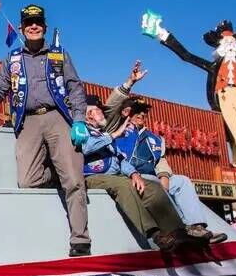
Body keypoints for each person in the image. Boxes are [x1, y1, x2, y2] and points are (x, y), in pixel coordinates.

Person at [0, 4, 92, 256]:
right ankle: (56, 173)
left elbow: (75, 87)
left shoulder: (59, 55)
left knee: (73, 180)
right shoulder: (13, 59)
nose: (34, 26)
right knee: (27, 180)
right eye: (29, 23)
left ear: (45, 27)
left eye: (37, 22)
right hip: (28, 122)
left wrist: (79, 119)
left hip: (58, 117)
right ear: (21, 28)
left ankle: (80, 239)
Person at [81, 95, 197, 251]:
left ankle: (178, 232)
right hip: (91, 176)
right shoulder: (80, 130)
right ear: (88, 115)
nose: (102, 112)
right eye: (98, 110)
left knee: (153, 187)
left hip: (115, 175)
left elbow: (120, 159)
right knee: (124, 185)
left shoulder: (103, 133)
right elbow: (85, 148)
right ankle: (155, 235)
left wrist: (134, 174)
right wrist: (113, 135)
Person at [114, 97, 226, 244]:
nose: (141, 114)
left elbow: (160, 160)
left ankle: (196, 226)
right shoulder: (117, 131)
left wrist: (164, 176)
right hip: (129, 177)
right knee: (155, 183)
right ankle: (182, 229)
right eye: (137, 111)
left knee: (182, 181)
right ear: (126, 112)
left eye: (144, 112)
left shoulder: (155, 138)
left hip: (152, 176)